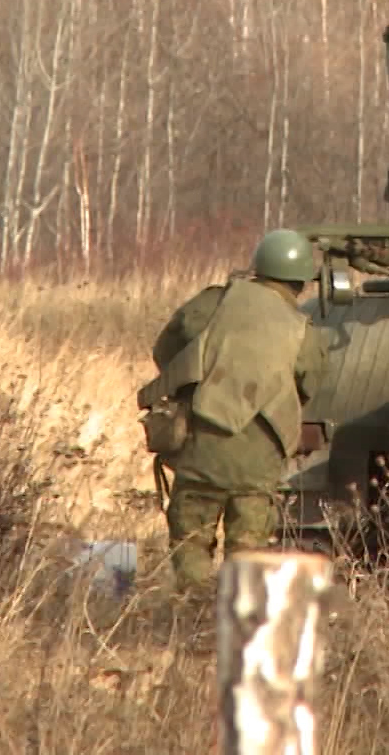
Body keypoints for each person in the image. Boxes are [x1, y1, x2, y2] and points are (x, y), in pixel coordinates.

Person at [140, 228, 330, 590]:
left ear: (258, 266)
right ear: (302, 281)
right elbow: (309, 383)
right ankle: (236, 628)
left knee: (191, 543)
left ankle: (191, 620)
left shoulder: (213, 303)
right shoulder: (302, 330)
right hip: (259, 459)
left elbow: (166, 349)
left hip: (202, 446)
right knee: (249, 554)